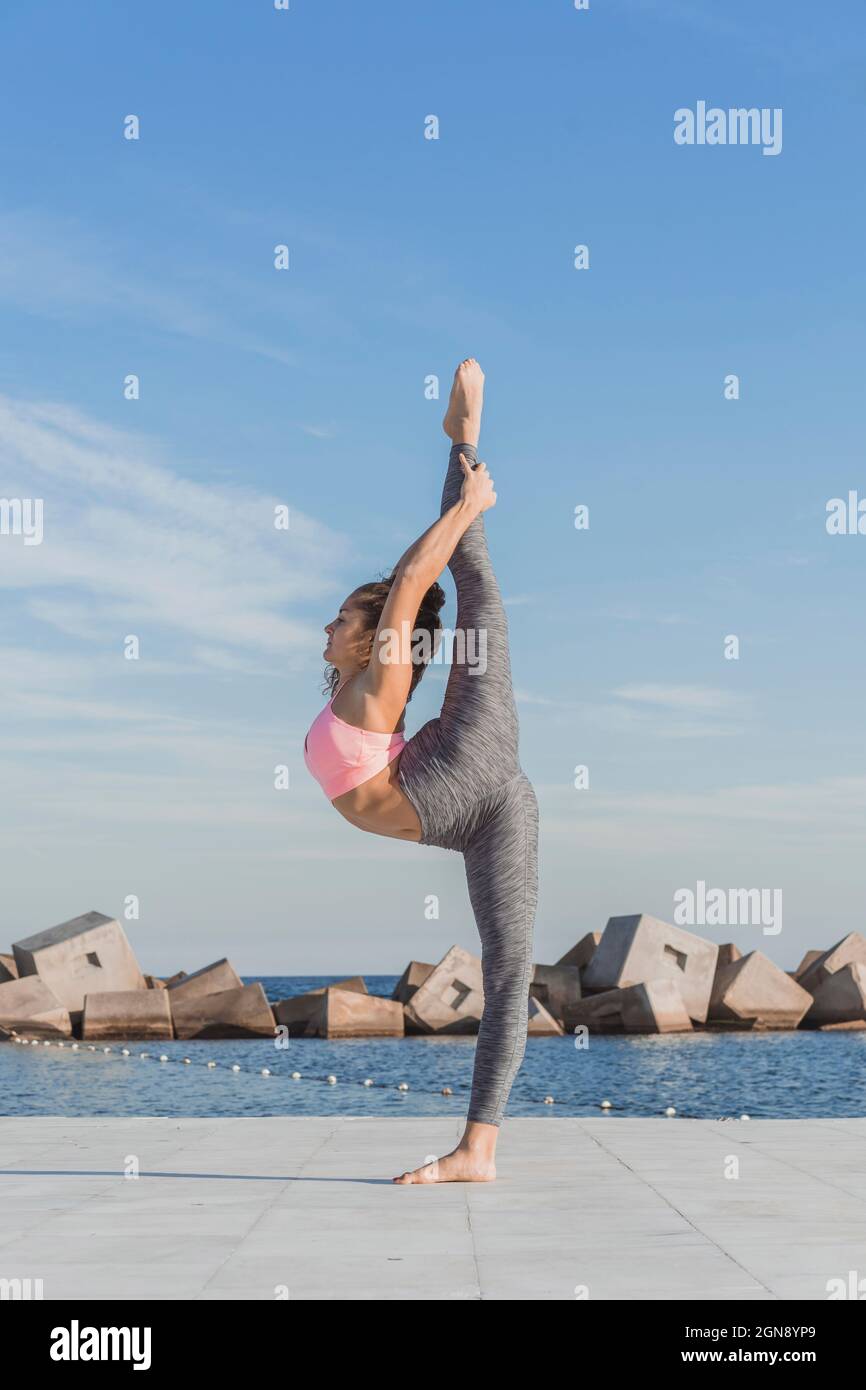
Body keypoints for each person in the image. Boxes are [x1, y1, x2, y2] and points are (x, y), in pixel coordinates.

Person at [303, 359, 538, 1183]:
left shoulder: (382, 677)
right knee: (510, 964)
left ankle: (465, 439)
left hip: (453, 767)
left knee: (478, 592)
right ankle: (479, 1149)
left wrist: (470, 498)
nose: (325, 626)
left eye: (339, 618)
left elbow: (409, 583)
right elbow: (400, 582)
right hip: (482, 809)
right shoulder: (355, 683)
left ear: (369, 637)